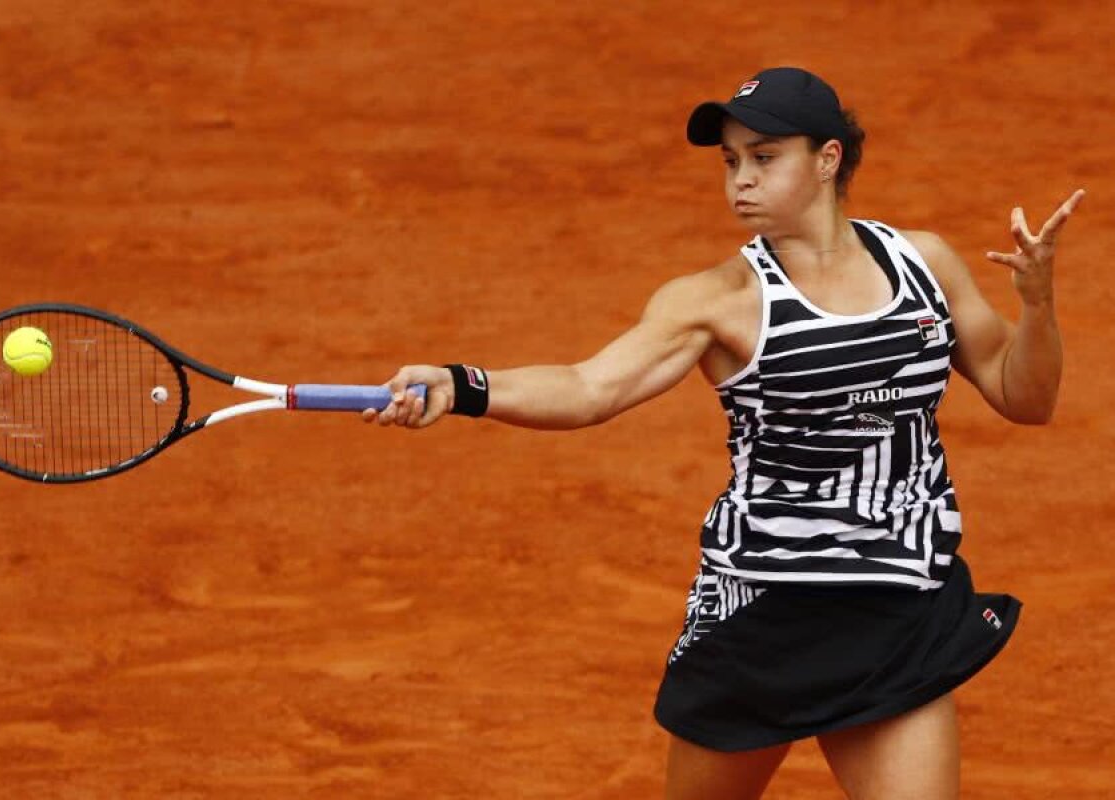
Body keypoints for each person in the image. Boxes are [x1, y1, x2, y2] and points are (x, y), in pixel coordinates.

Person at [361, 66, 1084, 800]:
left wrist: (1038, 305)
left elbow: (1024, 396)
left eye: (764, 158)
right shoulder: (717, 303)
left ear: (827, 159)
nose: (740, 180)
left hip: (900, 607)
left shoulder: (923, 265)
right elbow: (590, 387)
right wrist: (462, 385)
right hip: (767, 616)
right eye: (731, 161)